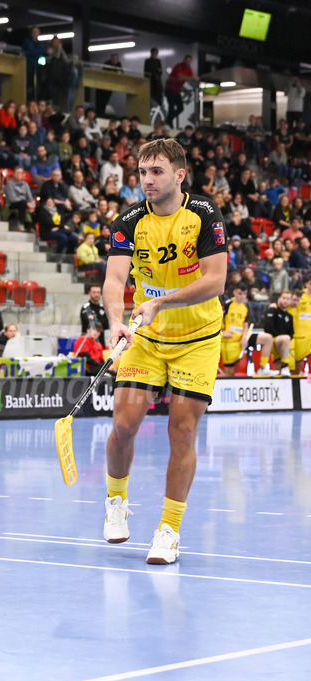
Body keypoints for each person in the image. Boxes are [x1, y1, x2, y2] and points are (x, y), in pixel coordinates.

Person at [101, 138, 227, 565]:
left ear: (179, 174)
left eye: (156, 171)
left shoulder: (204, 214)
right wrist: (116, 321)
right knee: (124, 425)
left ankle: (169, 530)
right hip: (147, 339)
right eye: (142, 172)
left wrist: (162, 302)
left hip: (198, 339)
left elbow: (215, 281)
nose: (147, 180)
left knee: (183, 431)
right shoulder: (129, 221)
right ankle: (116, 503)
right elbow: (114, 281)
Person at [263, 289, 294, 377]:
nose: (285, 301)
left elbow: (291, 333)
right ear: (279, 298)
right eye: (284, 298)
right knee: (285, 339)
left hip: (284, 345)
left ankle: (283, 367)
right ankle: (285, 365)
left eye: (288, 299)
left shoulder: (289, 316)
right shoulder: (272, 310)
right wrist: (281, 337)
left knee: (286, 340)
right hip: (271, 341)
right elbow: (267, 328)